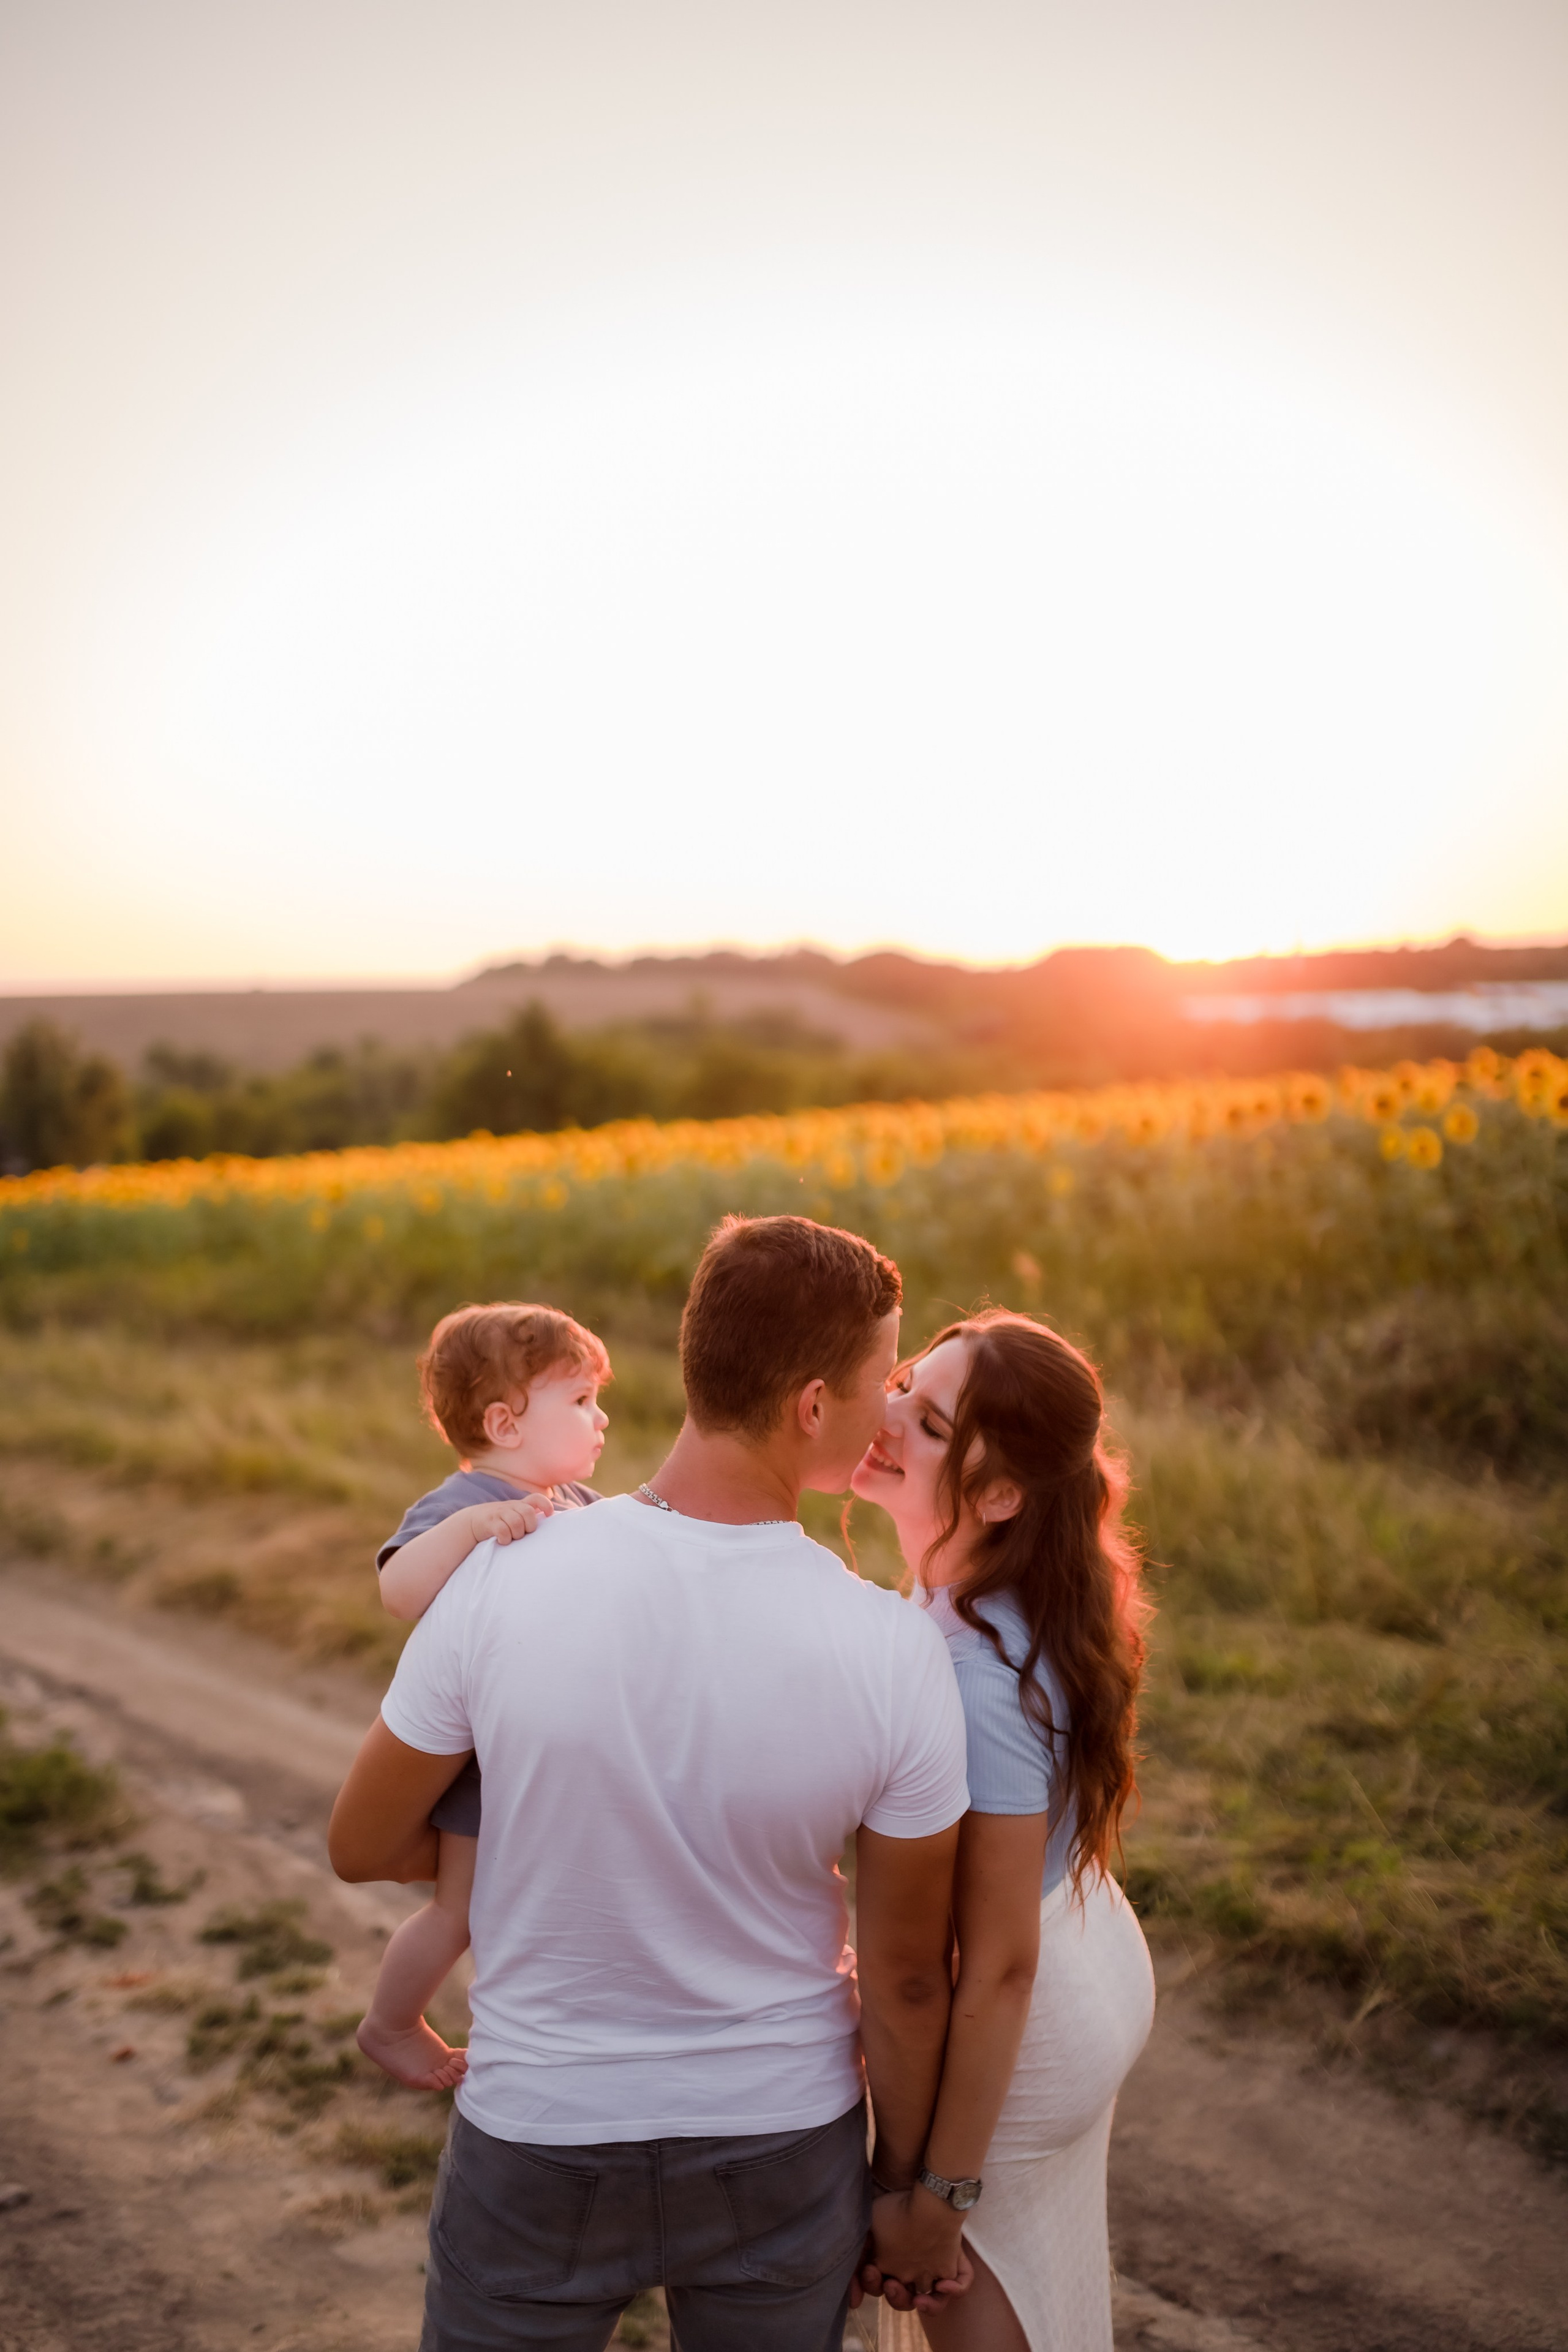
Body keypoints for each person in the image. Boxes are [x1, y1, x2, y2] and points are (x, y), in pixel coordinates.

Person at [330, 1215, 973, 2352]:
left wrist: (547, 1839)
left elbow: (361, 1843)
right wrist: (905, 2188)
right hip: (782, 2139)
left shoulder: (500, 1575)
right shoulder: (895, 1650)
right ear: (811, 1407)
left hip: (541, 2128)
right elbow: (910, 1978)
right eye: (883, 1380)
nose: (889, 1407)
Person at [851, 1310, 1155, 2352]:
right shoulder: (983, 1597)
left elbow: (998, 1966)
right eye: (903, 1384)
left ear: (999, 1495)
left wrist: (936, 2196)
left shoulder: (974, 1672)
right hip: (1087, 1948)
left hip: (1024, 2038)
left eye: (931, 1424)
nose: (888, 1414)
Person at [357, 1301, 611, 2092]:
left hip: (556, 1752)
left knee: (555, 1903)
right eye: (581, 1400)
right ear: (505, 1423)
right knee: (459, 1911)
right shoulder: (461, 1506)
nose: (601, 1418)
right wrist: (473, 1531)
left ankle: (559, 2027)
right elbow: (399, 1592)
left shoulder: (581, 1506)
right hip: (481, 1763)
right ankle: (392, 2024)